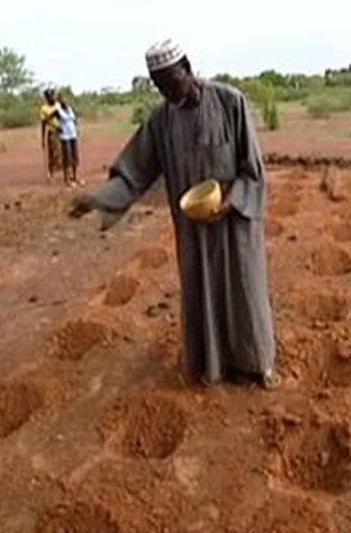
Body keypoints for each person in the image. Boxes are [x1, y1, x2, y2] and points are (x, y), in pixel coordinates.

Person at [69, 39, 278, 390]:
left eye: (170, 81)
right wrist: (98, 199)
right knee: (203, 296)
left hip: (234, 226)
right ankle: (213, 367)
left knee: (245, 293)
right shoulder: (161, 121)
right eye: (158, 86)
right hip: (193, 232)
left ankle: (258, 365)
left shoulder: (230, 102)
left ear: (187, 67)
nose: (166, 92)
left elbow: (253, 171)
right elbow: (134, 172)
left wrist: (231, 200)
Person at [56, 94, 82, 186]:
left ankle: (75, 177)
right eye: (62, 99)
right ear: (59, 101)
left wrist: (77, 128)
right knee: (67, 158)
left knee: (75, 156)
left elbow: (75, 120)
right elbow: (49, 120)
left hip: (73, 135)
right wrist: (57, 127)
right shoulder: (58, 111)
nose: (64, 101)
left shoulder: (70, 109)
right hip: (65, 136)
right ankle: (66, 180)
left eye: (65, 99)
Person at [40, 88, 62, 182]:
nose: (51, 98)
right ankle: (50, 173)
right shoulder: (44, 108)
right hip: (52, 132)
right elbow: (43, 123)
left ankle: (65, 173)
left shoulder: (58, 105)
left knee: (63, 153)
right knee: (52, 154)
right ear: (46, 98)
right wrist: (42, 138)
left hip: (62, 131)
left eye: (52, 96)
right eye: (49, 97)